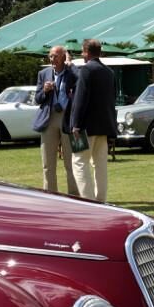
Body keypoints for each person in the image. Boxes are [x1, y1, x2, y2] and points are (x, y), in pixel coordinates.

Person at [69, 39, 115, 202]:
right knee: (100, 165)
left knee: (79, 162)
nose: (81, 55)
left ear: (87, 52)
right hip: (104, 127)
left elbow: (80, 99)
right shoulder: (109, 72)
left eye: (82, 52)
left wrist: (76, 125)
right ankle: (101, 200)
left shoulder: (87, 70)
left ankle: (88, 201)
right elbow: (111, 100)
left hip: (85, 127)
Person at [32, 45, 79, 195]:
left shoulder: (72, 73)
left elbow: (80, 82)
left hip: (68, 118)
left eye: (56, 56)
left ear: (64, 57)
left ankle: (75, 195)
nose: (52, 59)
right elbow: (37, 99)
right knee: (48, 163)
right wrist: (45, 91)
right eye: (51, 56)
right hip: (49, 118)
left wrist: (72, 64)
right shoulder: (43, 73)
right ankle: (50, 195)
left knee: (71, 162)